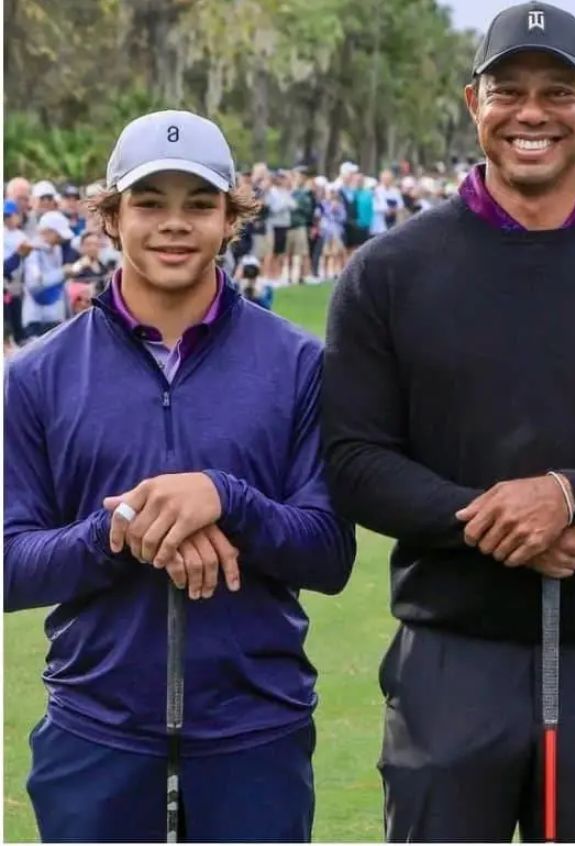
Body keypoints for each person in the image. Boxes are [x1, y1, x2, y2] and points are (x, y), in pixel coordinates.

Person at [321, 2, 575, 842]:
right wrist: (503, 522)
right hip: (451, 662)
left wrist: (571, 495)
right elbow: (354, 461)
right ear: (473, 102)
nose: (532, 112)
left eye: (558, 91)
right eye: (509, 90)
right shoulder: (388, 274)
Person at [5, 109, 355, 844]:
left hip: (255, 733)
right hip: (95, 735)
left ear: (232, 218)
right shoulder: (37, 376)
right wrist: (122, 531)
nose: (174, 224)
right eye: (149, 203)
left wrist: (226, 499)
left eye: (199, 204)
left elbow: (328, 553)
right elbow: (9, 564)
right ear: (108, 216)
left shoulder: (299, 365)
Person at [21, 210, 76, 339]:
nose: (61, 239)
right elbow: (34, 284)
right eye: (58, 234)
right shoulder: (32, 252)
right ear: (48, 231)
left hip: (55, 316)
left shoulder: (57, 249)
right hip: (36, 319)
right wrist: (62, 272)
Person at [3, 198, 31, 346]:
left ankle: (20, 339)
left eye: (10, 215)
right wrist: (18, 254)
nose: (7, 219)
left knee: (17, 314)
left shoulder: (22, 236)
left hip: (18, 284)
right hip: (5, 281)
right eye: (5, 216)